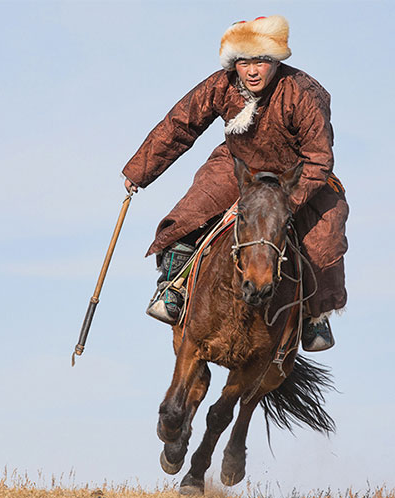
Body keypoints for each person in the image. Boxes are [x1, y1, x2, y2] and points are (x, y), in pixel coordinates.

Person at [122, 15, 347, 352]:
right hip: (239, 163)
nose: (252, 70)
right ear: (234, 65)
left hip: (296, 173)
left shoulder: (304, 93)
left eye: (260, 61)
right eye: (243, 62)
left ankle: (315, 317)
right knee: (189, 213)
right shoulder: (221, 85)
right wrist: (139, 171)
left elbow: (319, 158)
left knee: (324, 237)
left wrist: (285, 203)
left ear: (275, 62)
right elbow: (180, 124)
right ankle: (173, 289)